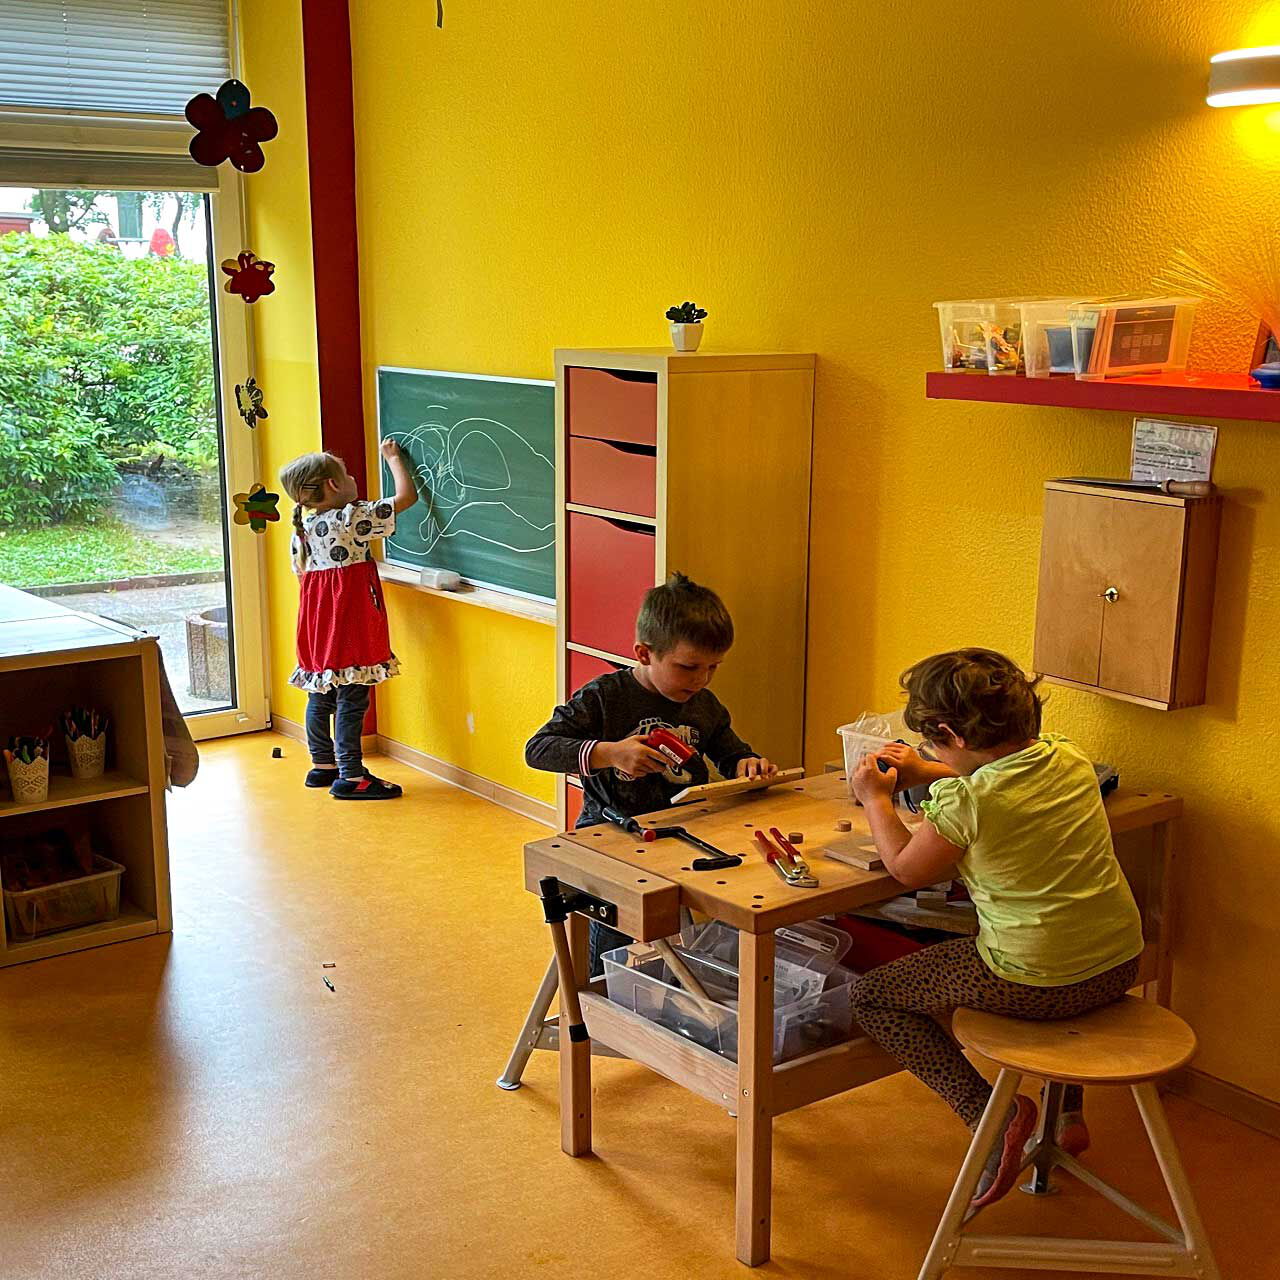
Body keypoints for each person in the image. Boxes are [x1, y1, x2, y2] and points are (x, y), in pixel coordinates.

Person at [848, 648, 1143, 1209]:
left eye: (931, 745)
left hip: (1035, 981)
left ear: (947, 734)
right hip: (1120, 961)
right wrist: (927, 770)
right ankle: (1069, 1117)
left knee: (873, 998)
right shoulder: (1069, 758)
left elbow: (906, 868)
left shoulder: (969, 800)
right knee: (1064, 956)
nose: (932, 755)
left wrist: (876, 800)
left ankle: (994, 1117)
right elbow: (997, 775)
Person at [525, 572, 777, 970]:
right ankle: (605, 1007)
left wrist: (748, 764)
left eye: (713, 667)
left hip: (682, 830)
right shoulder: (604, 697)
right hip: (610, 829)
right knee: (617, 939)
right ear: (644, 654)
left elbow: (732, 754)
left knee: (679, 939)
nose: (701, 679)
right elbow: (538, 749)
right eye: (688, 666)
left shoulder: (704, 704)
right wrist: (608, 753)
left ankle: (663, 1005)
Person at [278, 441, 418, 799]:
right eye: (347, 474)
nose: (354, 477)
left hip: (317, 623)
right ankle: (352, 776)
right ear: (333, 485)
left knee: (322, 693)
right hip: (349, 620)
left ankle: (323, 764)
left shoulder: (303, 530)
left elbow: (304, 580)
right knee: (353, 697)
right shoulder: (349, 519)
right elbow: (405, 499)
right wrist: (394, 459)